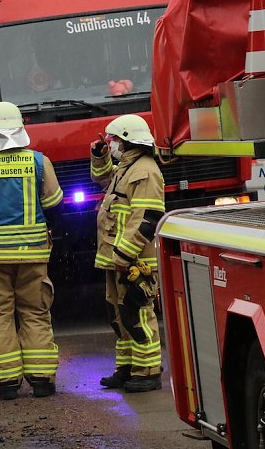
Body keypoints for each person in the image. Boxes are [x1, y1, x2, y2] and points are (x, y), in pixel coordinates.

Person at [0, 101, 64, 400]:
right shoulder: (38, 162)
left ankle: (7, 383)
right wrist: (52, 235)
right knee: (35, 312)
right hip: (33, 253)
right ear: (21, 128)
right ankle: (42, 381)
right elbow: (55, 207)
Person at [91, 114, 164, 393]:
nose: (110, 145)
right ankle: (127, 367)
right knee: (118, 314)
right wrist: (99, 158)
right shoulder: (127, 166)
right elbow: (102, 179)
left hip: (133, 260)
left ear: (127, 140)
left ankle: (147, 371)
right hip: (116, 257)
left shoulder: (144, 171)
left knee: (137, 313)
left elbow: (146, 218)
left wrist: (124, 254)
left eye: (113, 140)